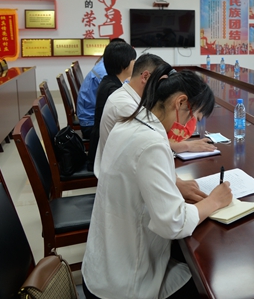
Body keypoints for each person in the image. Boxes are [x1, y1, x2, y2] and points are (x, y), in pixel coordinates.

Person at [81, 67, 233, 299]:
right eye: (194, 118)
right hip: (124, 285)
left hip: (101, 267)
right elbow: (173, 223)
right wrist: (214, 201)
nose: (192, 126)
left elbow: (138, 174)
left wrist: (174, 183)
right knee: (209, 280)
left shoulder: (131, 122)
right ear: (180, 102)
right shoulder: (152, 142)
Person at [95, 53, 216, 179]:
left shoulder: (131, 99)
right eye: (161, 81)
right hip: (120, 175)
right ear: (145, 77)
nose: (164, 88)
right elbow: (150, 144)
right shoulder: (125, 106)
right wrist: (187, 146)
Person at [87, 41, 137, 168]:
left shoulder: (108, 81)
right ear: (123, 65)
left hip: (101, 144)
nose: (135, 63)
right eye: (133, 60)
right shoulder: (113, 90)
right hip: (103, 155)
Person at [77, 38, 126, 139]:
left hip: (92, 118)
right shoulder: (104, 71)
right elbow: (118, 99)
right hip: (91, 123)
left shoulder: (105, 65)